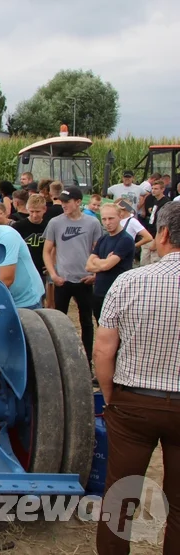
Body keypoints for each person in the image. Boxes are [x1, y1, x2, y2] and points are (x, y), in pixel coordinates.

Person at [93, 201, 180, 554]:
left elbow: (103, 350)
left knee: (120, 495)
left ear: (162, 234)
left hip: (133, 400)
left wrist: (113, 397)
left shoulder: (130, 281)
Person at [42, 187, 103, 363]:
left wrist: (95, 273)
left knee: (86, 321)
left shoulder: (92, 223)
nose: (64, 205)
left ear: (78, 202)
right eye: (62, 202)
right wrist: (53, 274)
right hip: (62, 279)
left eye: (67, 202)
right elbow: (47, 251)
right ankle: (59, 358)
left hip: (84, 279)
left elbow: (97, 251)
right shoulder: (55, 222)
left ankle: (87, 359)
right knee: (59, 320)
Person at [86, 204, 135, 325]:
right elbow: (88, 266)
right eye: (104, 219)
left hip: (116, 294)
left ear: (120, 217)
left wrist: (98, 262)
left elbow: (106, 266)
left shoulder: (125, 239)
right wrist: (102, 262)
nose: (107, 222)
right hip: (99, 292)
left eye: (111, 218)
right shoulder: (103, 239)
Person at [13, 194, 48, 294]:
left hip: (41, 269)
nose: (34, 215)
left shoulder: (48, 226)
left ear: (44, 209)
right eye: (31, 211)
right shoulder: (18, 226)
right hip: (23, 268)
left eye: (38, 212)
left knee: (41, 296)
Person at [141, 179, 169, 265]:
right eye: (152, 188)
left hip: (157, 235)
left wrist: (157, 239)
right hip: (149, 232)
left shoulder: (166, 202)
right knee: (144, 261)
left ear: (162, 189)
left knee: (154, 260)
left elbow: (164, 222)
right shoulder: (154, 201)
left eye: (156, 189)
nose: (153, 190)